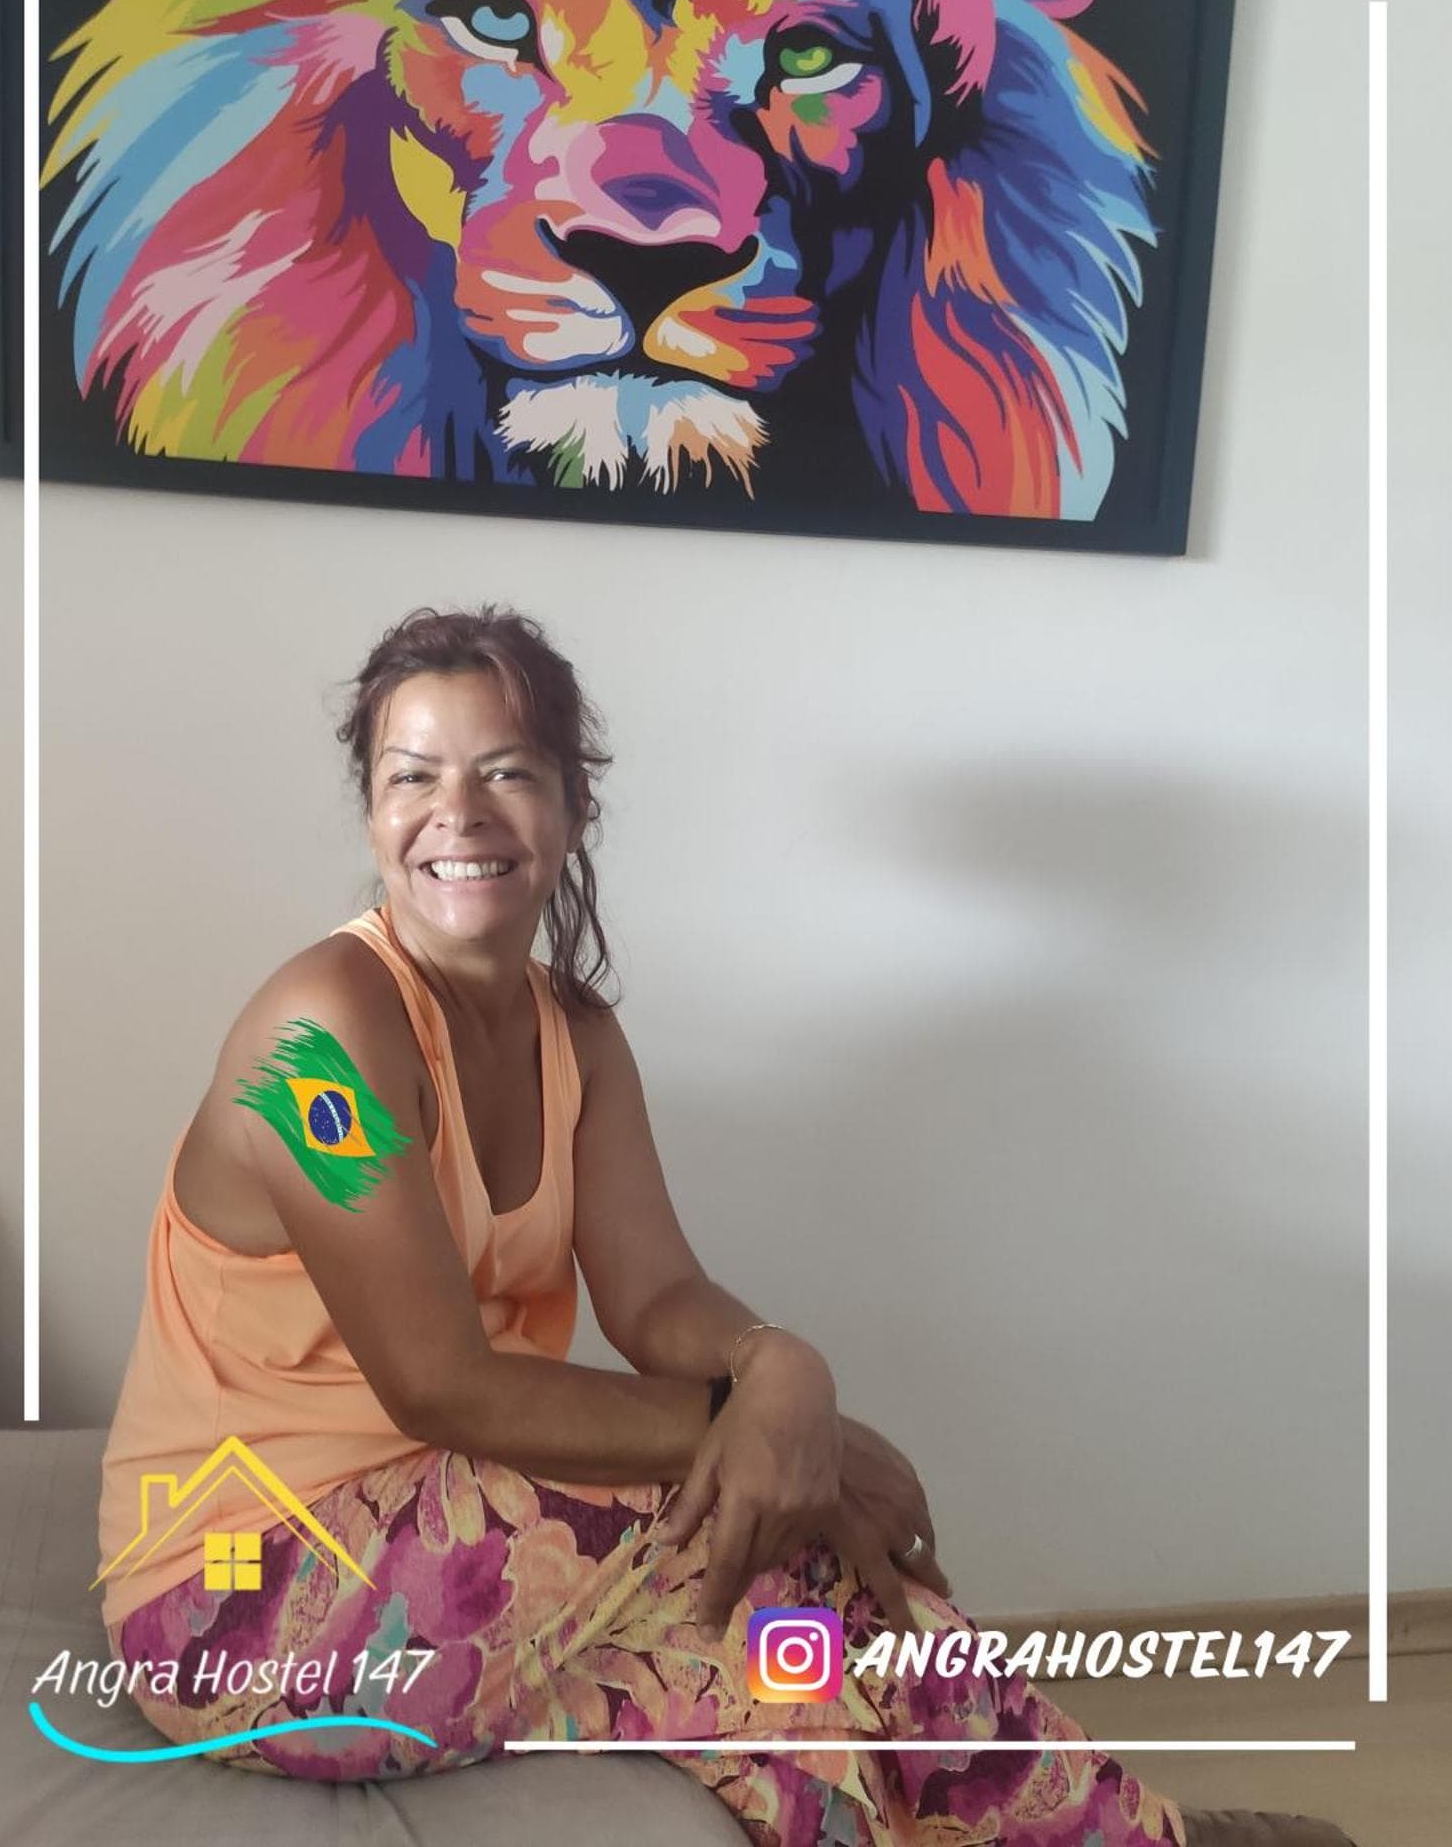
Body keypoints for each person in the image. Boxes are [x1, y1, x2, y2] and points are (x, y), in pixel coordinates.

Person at [96, 605, 1352, 1847]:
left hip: (422, 1518)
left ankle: (1082, 1824)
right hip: (233, 1591)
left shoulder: (576, 1032)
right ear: (372, 810)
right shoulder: (317, 1035)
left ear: (573, 804)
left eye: (506, 772)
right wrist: (788, 1442)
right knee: (777, 1529)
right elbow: (440, 1383)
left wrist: (774, 1363)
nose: (457, 812)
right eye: (412, 775)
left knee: (782, 1676)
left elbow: (655, 1296)